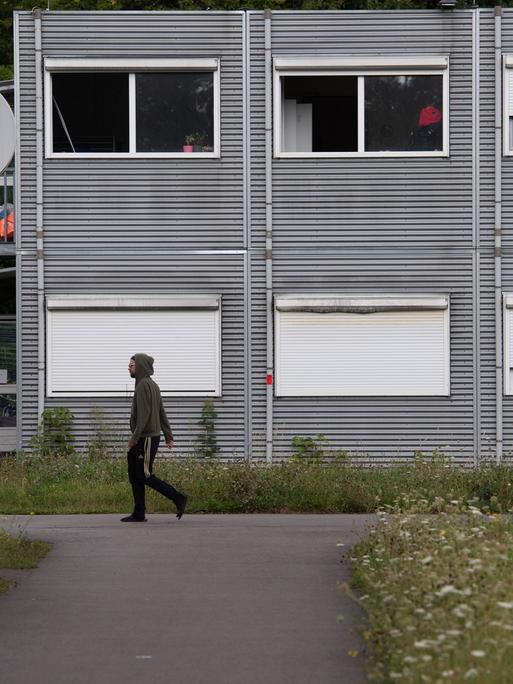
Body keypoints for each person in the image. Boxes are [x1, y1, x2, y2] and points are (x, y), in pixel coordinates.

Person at [121, 353, 188, 523]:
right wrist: (168, 435)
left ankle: (178, 497)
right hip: (145, 437)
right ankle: (139, 512)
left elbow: (145, 416)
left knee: (144, 474)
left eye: (132, 365)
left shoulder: (144, 386)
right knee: (134, 474)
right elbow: (161, 412)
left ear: (141, 366)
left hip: (146, 438)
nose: (128, 367)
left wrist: (134, 439)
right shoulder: (152, 385)